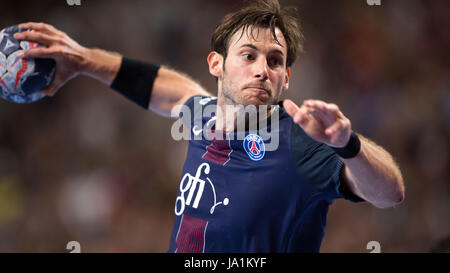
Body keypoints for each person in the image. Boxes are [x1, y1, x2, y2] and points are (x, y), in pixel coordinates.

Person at [13, 0, 404, 252]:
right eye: (248, 55)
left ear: (287, 77)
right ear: (216, 64)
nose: (262, 70)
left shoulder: (302, 143)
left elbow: (390, 194)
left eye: (274, 60)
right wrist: (84, 60)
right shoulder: (204, 117)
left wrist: (347, 143)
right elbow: (168, 89)